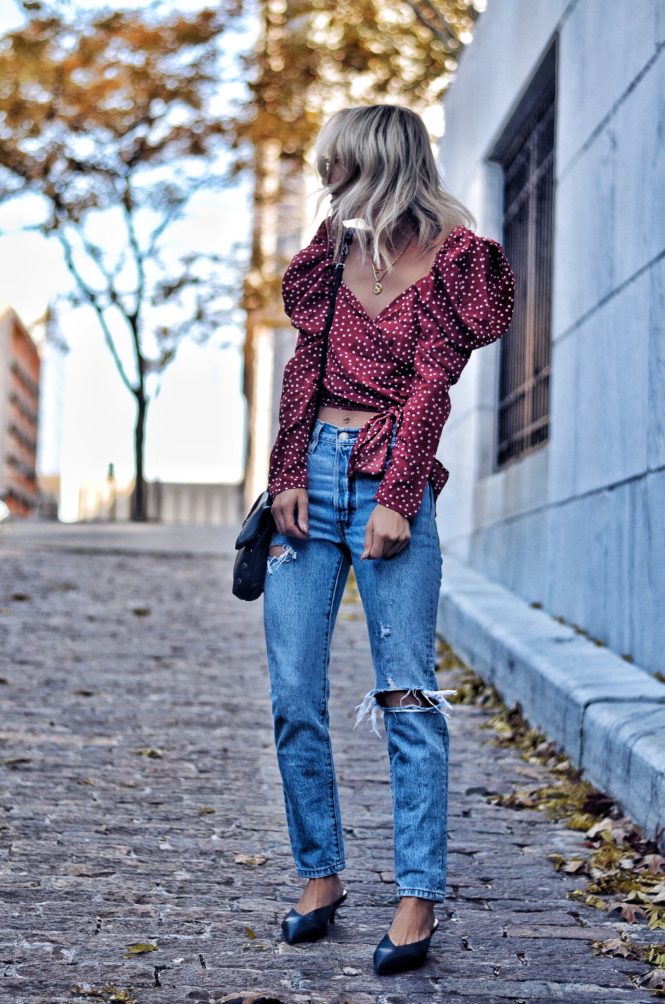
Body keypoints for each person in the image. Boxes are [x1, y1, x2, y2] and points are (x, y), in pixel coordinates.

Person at [262, 103, 516, 976]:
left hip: (387, 479)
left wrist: (398, 497)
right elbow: (304, 371)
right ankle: (319, 875)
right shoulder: (327, 257)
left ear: (373, 166)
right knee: (294, 691)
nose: (325, 179)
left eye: (336, 164)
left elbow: (430, 391)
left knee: (406, 692)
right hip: (313, 483)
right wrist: (284, 474)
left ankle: (416, 894)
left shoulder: (456, 266)